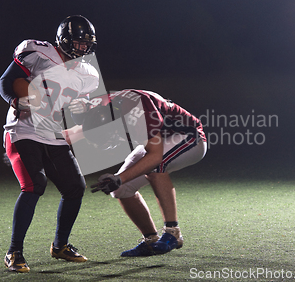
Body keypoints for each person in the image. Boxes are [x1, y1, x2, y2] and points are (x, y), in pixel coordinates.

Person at [0, 15, 99, 273]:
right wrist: (14, 100)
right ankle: (14, 251)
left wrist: (82, 109)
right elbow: (5, 82)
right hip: (23, 128)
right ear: (63, 40)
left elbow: (78, 108)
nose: (82, 49)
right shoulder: (40, 53)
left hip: (52, 131)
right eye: (77, 43)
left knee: (75, 187)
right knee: (34, 184)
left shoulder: (88, 73)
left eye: (86, 44)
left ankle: (60, 245)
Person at [83, 89, 207, 257]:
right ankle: (151, 240)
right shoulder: (102, 106)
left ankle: (173, 232)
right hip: (156, 138)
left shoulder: (139, 113)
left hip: (188, 136)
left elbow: (155, 157)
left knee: (154, 167)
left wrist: (119, 178)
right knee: (121, 189)